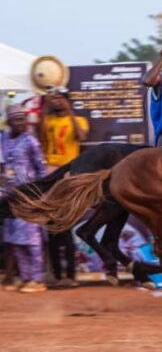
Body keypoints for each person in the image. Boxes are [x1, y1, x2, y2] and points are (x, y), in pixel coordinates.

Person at [38, 90, 88, 287]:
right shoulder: (49, 121)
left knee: (65, 226)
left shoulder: (79, 120)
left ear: (67, 101)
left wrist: (70, 112)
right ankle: (57, 275)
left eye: (61, 98)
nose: (57, 101)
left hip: (68, 176)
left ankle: (70, 276)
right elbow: (40, 138)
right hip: (49, 176)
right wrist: (45, 108)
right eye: (55, 98)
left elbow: (82, 136)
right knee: (51, 227)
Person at [1, 105, 48, 293]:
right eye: (17, 120)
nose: (21, 123)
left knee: (31, 238)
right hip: (8, 195)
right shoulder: (2, 139)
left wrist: (40, 193)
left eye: (23, 119)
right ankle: (25, 277)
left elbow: (41, 169)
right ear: (9, 121)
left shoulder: (30, 141)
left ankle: (38, 280)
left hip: (28, 194)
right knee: (14, 238)